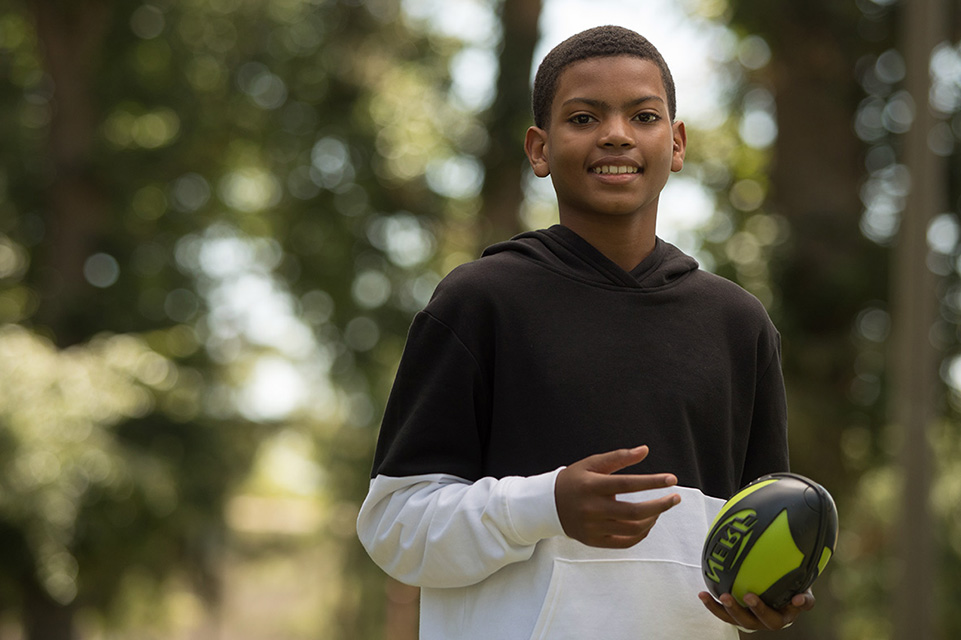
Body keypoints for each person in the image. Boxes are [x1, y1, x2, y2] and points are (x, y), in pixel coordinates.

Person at [356, 25, 814, 639]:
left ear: (676, 143)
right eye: (583, 117)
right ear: (539, 149)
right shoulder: (480, 301)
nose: (616, 134)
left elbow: (757, 530)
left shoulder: (738, 324)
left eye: (644, 115)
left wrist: (767, 597)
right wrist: (544, 507)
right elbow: (395, 528)